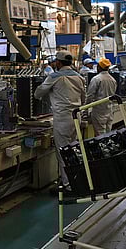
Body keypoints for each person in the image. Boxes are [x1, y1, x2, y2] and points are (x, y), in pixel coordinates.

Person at [34, 50, 86, 190]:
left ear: (58, 62)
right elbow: (83, 98)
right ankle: (76, 180)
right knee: (74, 149)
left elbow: (38, 93)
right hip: (76, 117)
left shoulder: (55, 76)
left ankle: (67, 185)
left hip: (62, 118)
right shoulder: (79, 77)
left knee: (63, 151)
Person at [86, 58, 117, 136]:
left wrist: (85, 109)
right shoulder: (113, 80)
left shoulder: (96, 79)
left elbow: (90, 95)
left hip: (99, 111)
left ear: (99, 67)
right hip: (109, 110)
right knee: (108, 133)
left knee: (100, 135)